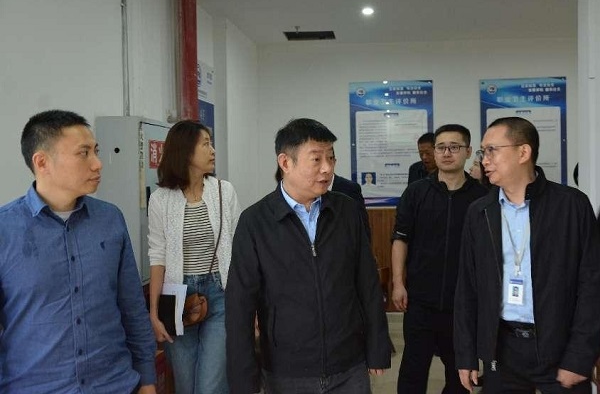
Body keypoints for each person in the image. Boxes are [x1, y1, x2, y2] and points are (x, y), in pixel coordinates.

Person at [226, 118, 391, 394]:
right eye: (316, 159)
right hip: (286, 370)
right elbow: (239, 305)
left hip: (348, 365)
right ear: (285, 163)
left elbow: (367, 283)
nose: (327, 168)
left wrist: (377, 347)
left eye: (331, 158)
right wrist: (243, 379)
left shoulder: (347, 211)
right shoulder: (255, 222)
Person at [0, 110, 156, 393]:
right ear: (42, 162)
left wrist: (147, 379)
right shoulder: (6, 230)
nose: (97, 163)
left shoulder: (110, 219)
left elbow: (132, 307)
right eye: (83, 153)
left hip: (114, 384)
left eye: (96, 151)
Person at [454, 117, 600, 394]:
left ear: (523, 152)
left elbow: (592, 286)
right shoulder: (480, 212)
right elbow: (467, 289)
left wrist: (580, 355)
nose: (484, 160)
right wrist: (466, 354)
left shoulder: (571, 206)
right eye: (483, 152)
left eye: (492, 150)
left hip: (560, 348)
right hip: (502, 349)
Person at [391, 124, 487, 394]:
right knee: (413, 371)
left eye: (454, 147)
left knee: (459, 374)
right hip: (420, 301)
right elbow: (400, 239)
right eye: (441, 147)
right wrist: (398, 283)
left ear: (467, 151)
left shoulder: (482, 197)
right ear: (434, 152)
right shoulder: (416, 192)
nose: (447, 153)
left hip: (463, 305)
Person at [147, 120, 241, 394]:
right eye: (206, 144)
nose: (213, 150)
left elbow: (239, 247)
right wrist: (154, 312)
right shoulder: (161, 199)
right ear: (186, 151)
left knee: (210, 386)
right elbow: (157, 256)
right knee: (186, 385)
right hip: (176, 296)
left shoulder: (224, 191)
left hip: (220, 291)